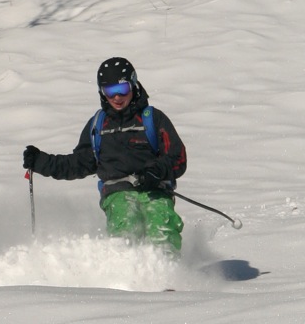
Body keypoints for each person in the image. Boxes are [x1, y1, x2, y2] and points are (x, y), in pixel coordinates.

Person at [22, 56, 187, 251]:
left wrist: (156, 172)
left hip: (154, 189)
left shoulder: (151, 119)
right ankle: (125, 268)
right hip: (117, 192)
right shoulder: (98, 125)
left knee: (160, 222)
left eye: (122, 89)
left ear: (133, 85)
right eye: (110, 91)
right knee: (125, 222)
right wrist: (41, 162)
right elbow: (79, 163)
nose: (117, 97)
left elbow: (178, 157)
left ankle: (166, 271)